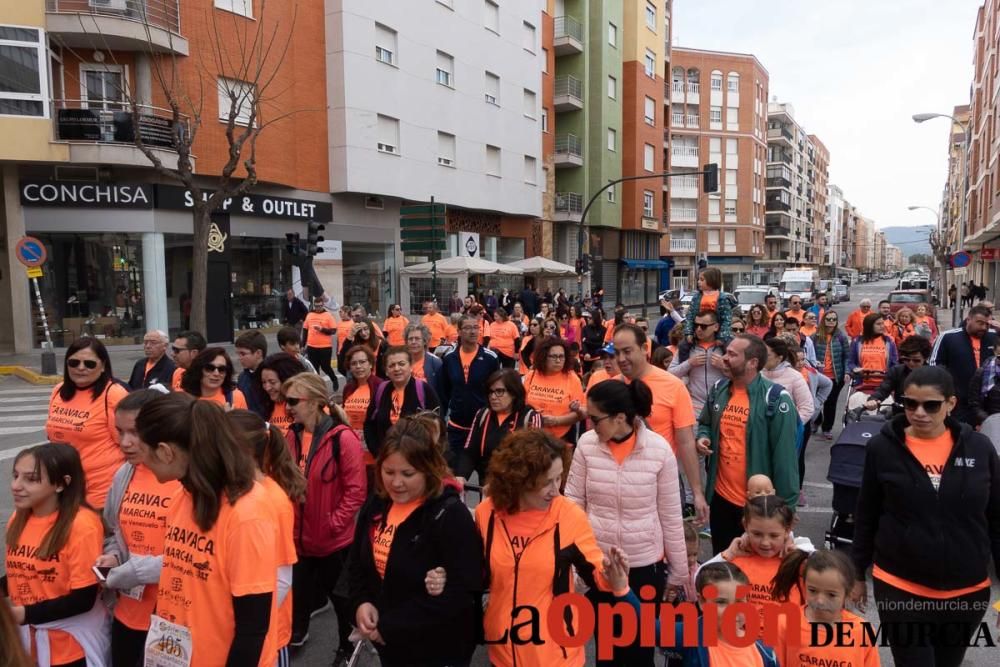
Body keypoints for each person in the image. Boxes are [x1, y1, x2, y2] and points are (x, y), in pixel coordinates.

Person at [851, 365, 1000, 666]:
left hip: (966, 590)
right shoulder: (882, 448)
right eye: (910, 403)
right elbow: (866, 513)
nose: (919, 412)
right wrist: (855, 573)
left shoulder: (980, 448)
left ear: (951, 404)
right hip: (900, 586)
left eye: (931, 405)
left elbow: (997, 519)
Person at [134, 393, 278, 666]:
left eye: (143, 450)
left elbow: (253, 627)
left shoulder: (246, 513)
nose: (139, 461)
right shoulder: (182, 497)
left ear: (166, 452)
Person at [566, 379, 690, 666]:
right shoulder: (587, 444)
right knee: (606, 650)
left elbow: (671, 515)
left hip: (645, 566)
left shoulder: (659, 451)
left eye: (595, 418)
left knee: (638, 652)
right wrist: (574, 560)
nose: (590, 423)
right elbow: (573, 501)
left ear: (620, 418)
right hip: (599, 566)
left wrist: (679, 573)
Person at [476, 429, 618, 667]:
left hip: (556, 656)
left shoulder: (569, 516)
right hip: (501, 653)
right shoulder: (486, 514)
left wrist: (611, 576)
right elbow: (476, 575)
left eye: (559, 478)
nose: (556, 489)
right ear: (519, 481)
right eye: (546, 483)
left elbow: (595, 575)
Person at [348, 417, 483, 667]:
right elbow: (357, 562)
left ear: (429, 469)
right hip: (390, 646)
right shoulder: (377, 503)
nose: (396, 483)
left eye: (407, 474)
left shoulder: (449, 514)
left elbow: (463, 591)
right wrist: (361, 602)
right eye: (388, 472)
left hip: (436, 650)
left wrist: (390, 626)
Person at [282, 372, 367, 655]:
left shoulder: (342, 439)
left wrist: (333, 524)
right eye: (286, 401)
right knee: (298, 595)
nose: (288, 407)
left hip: (333, 542)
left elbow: (356, 491)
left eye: (294, 400)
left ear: (316, 401)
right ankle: (296, 635)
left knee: (343, 604)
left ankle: (346, 650)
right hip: (298, 539)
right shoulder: (291, 437)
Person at [98, 388, 181, 667]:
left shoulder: (184, 478)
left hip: (175, 619)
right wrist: (114, 557)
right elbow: (113, 531)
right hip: (128, 612)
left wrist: (138, 570)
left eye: (134, 432)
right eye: (120, 432)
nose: (125, 442)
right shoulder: (125, 473)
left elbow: (201, 556)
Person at [697, 334, 800, 553]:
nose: (724, 358)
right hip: (721, 501)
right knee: (725, 570)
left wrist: (786, 517)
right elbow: (705, 422)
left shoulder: (776, 400)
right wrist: (703, 437)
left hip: (758, 509)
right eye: (726, 352)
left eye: (732, 355)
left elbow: (786, 463)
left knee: (753, 577)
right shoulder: (719, 390)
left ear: (752, 363)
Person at [6, 444, 106, 667]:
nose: (16, 486)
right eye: (15, 476)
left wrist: (20, 614)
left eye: (30, 479)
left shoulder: (81, 525)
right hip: (29, 641)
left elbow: (83, 599)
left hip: (70, 646)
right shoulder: (18, 519)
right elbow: (24, 570)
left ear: (61, 484)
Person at [227, 410, 306, 667]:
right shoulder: (239, 491)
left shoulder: (273, 499)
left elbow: (282, 577)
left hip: (269, 632)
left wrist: (252, 621)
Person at [614, 323, 708, 524]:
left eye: (627, 351)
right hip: (618, 483)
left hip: (660, 483)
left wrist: (697, 493)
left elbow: (685, 442)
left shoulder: (673, 386)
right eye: (617, 352)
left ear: (644, 348)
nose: (621, 359)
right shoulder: (612, 387)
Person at [46, 337, 129, 508]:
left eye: (89, 364)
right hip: (64, 488)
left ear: (103, 366)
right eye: (74, 362)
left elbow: (127, 443)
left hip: (101, 492)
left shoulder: (113, 394)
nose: (81, 368)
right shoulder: (58, 391)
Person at [700, 496, 813, 621]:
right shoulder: (736, 557)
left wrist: (800, 549)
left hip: (783, 637)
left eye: (774, 535)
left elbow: (828, 570)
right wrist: (727, 554)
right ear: (745, 526)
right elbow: (699, 579)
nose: (765, 542)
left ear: (787, 530)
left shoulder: (796, 561)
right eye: (757, 534)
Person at [772, 549, 880, 667]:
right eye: (813, 590)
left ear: (848, 594)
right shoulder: (786, 623)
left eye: (831, 594)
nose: (820, 601)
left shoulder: (862, 632)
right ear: (804, 585)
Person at [455, 369, 541, 483]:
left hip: (515, 486)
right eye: (490, 392)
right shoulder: (483, 414)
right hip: (485, 484)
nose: (493, 397)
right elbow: (470, 450)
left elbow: (532, 460)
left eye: (499, 391)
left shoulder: (530, 417)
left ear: (514, 393)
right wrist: (461, 476)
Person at [440, 314, 501, 460]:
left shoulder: (490, 358)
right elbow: (444, 392)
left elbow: (498, 390)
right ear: (459, 332)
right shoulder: (449, 358)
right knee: (454, 474)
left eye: (476, 327)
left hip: (483, 426)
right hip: (457, 427)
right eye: (468, 328)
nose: (473, 332)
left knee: (486, 476)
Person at [364, 346, 441, 455]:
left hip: (417, 459)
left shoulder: (424, 390)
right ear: (386, 371)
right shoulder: (381, 390)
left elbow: (437, 426)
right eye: (391, 365)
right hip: (387, 458)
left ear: (410, 366)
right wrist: (378, 453)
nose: (396, 368)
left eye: (401, 364)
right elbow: (369, 424)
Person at [930, 304, 999, 423]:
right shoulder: (948, 337)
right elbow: (934, 365)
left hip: (987, 405)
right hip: (958, 401)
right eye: (980, 323)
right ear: (968, 320)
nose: (984, 327)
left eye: (987, 324)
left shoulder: (994, 337)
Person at [523, 337, 585, 441]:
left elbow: (581, 413)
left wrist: (557, 420)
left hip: (562, 438)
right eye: (553, 356)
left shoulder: (573, 379)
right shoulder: (531, 376)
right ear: (543, 357)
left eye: (561, 356)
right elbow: (522, 405)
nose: (558, 360)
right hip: (533, 436)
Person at [669, 310, 726, 415]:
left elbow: (742, 375)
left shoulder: (726, 347)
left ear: (716, 327)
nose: (699, 329)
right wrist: (689, 363)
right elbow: (670, 374)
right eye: (696, 325)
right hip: (695, 406)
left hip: (722, 405)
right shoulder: (686, 347)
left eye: (704, 326)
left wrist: (724, 366)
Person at [864, 335, 931, 414]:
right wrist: (874, 399)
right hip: (900, 415)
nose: (911, 363)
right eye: (906, 359)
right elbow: (883, 389)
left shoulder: (934, 374)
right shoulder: (896, 371)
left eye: (916, 360)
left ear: (925, 358)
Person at [812, 310, 852, 439]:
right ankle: (817, 420)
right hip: (818, 376)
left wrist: (846, 372)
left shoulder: (841, 337)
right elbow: (809, 356)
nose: (831, 322)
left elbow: (847, 357)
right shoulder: (815, 337)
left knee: (831, 403)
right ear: (823, 320)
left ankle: (827, 428)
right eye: (828, 319)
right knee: (815, 401)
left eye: (833, 319)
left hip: (836, 377)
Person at [342, 345, 383, 455]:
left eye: (362, 362)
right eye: (354, 363)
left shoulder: (381, 386)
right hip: (351, 448)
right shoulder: (348, 388)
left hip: (375, 449)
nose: (358, 366)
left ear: (370, 364)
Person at [763, 337, 814, 424]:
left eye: (767, 355)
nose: (762, 357)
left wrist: (788, 427)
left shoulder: (795, 377)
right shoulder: (757, 374)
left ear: (779, 358)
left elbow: (807, 408)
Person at [180, 347, 249, 410]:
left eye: (221, 369)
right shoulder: (182, 398)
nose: (216, 373)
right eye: (210, 368)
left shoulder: (236, 397)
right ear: (199, 369)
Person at [848, 313, 898, 398]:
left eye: (883, 323)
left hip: (884, 385)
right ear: (869, 325)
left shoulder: (888, 342)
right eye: (878, 324)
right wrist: (855, 369)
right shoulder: (857, 341)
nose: (882, 326)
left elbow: (895, 363)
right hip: (862, 384)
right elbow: (851, 362)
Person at [259, 353, 308, 434]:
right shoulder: (265, 406)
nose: (267, 388)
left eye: (272, 382)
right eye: (264, 382)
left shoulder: (306, 405)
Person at [684, 267, 735, 343]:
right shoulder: (696, 297)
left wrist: (722, 336)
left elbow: (726, 319)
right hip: (698, 331)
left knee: (728, 346)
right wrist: (689, 332)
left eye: (702, 280)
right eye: (698, 279)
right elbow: (690, 315)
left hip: (716, 333)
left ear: (712, 280)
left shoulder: (722, 298)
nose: (698, 282)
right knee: (683, 346)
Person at [303, 297, 340, 391]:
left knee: (326, 367)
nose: (318, 308)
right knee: (314, 369)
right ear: (314, 305)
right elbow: (305, 330)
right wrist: (303, 345)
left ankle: (334, 379)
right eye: (316, 306)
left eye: (320, 306)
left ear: (323, 305)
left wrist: (322, 329)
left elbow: (333, 331)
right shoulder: (310, 315)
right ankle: (318, 388)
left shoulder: (328, 315)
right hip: (312, 346)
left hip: (325, 347)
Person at [403, 323, 445, 400]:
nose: (413, 342)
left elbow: (442, 393)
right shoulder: (401, 362)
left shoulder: (435, 363)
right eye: (410, 339)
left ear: (425, 341)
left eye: (417, 338)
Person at [235, 330, 268, 417]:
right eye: (238, 354)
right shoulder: (242, 377)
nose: (239, 358)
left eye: (243, 354)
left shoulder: (272, 376)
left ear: (258, 353)